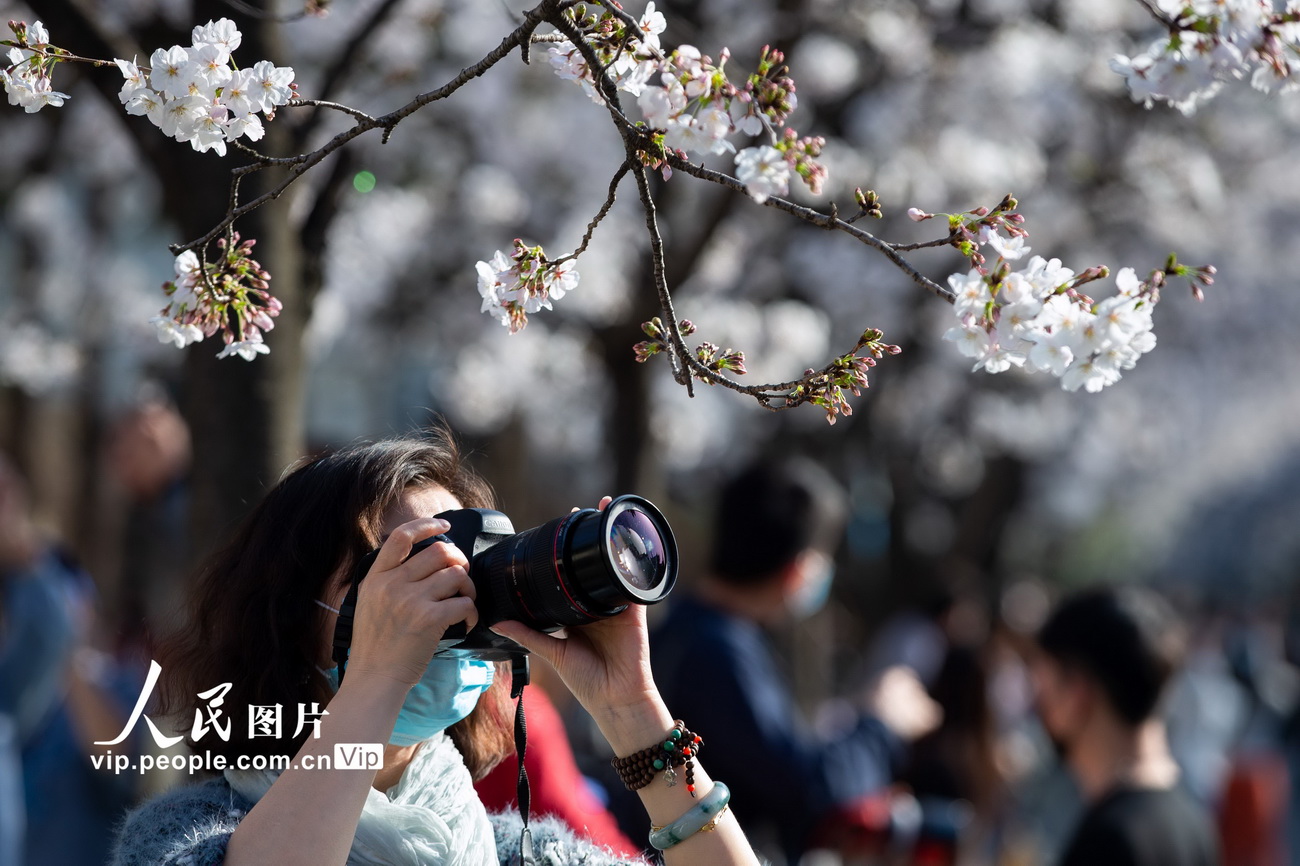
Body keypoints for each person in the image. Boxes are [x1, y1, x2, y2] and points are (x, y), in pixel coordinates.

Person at [110, 431, 763, 866]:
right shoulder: (186, 837)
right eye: (407, 578)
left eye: (462, 576)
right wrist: (374, 679)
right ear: (287, 616)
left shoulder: (515, 852)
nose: (445, 608)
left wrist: (633, 714)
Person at [644, 456, 939, 864]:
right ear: (797, 570)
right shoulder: (719, 651)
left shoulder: (682, 628)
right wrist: (881, 724)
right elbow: (804, 786)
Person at [1032, 585, 1221, 866]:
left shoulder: (1109, 841)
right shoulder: (1195, 823)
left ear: (1076, 693)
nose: (1037, 704)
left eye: (1042, 684)